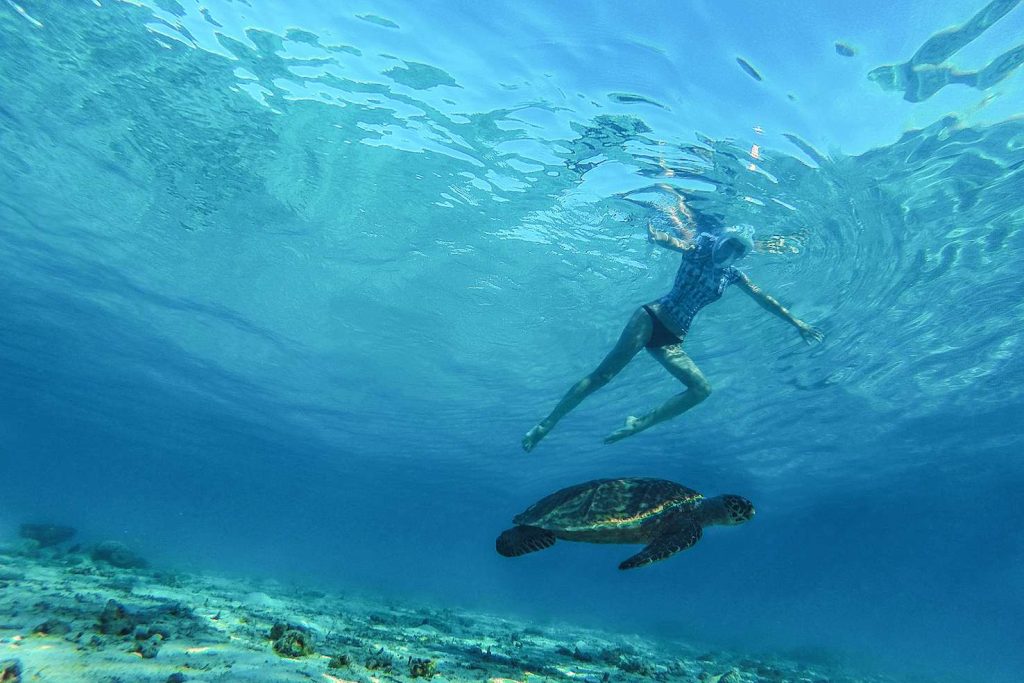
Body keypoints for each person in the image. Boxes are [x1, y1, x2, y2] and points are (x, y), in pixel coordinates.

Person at [522, 216, 824, 451]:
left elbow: (763, 299)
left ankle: (639, 423)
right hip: (651, 318)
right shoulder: (700, 249)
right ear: (723, 240)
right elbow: (678, 244)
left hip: (673, 340)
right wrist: (659, 237)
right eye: (730, 243)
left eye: (738, 249)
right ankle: (547, 424)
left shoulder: (733, 276)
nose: (731, 251)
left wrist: (798, 323)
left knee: (702, 390)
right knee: (604, 375)